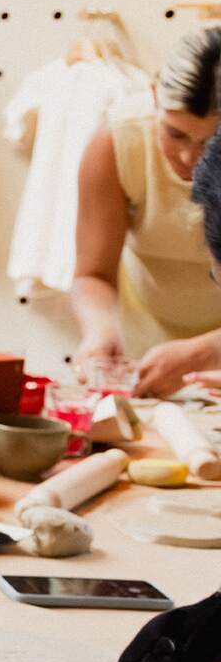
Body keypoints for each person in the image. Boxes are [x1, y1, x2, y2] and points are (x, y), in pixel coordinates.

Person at [69, 26, 221, 397]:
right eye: (175, 134)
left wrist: (204, 352)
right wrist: (101, 330)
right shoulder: (116, 141)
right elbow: (92, 273)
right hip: (145, 353)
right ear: (155, 98)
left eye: (212, 140)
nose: (190, 157)